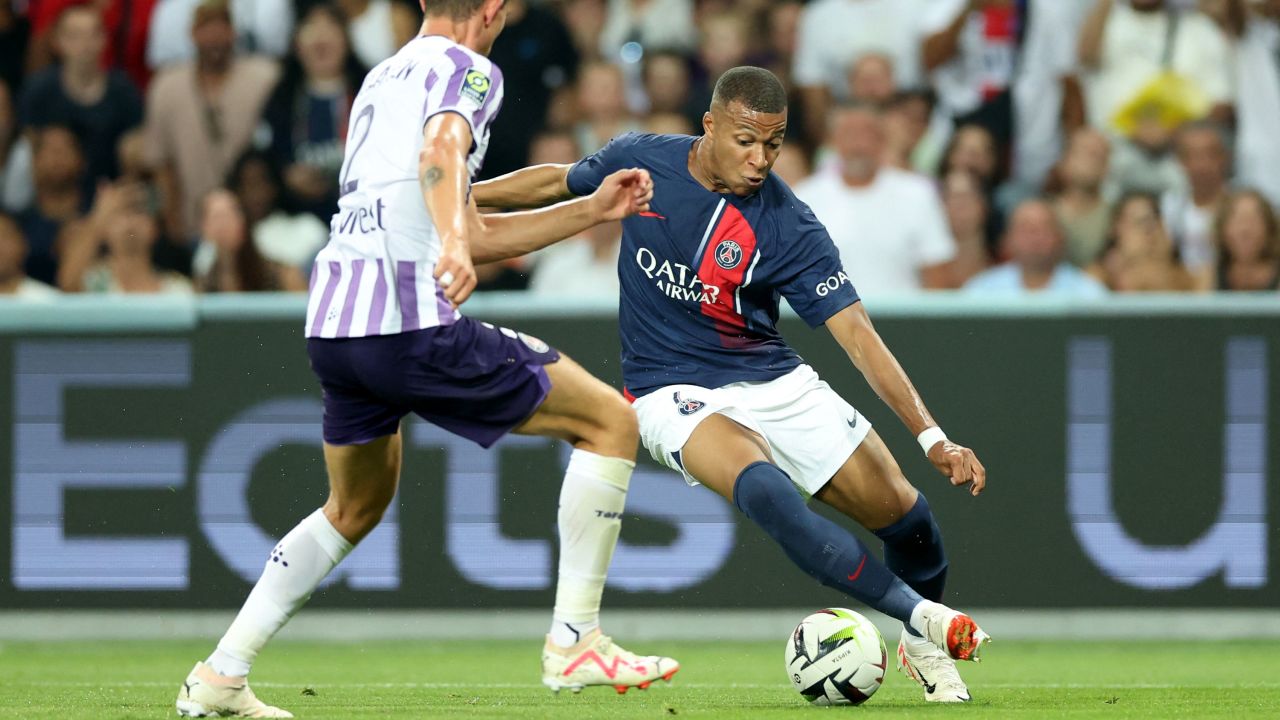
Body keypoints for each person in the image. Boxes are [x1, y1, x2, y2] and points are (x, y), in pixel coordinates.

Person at [175, 2, 676, 717]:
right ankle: (576, 641)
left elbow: (463, 219)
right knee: (609, 423)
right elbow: (442, 156)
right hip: (405, 321)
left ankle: (222, 674)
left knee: (353, 506)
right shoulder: (467, 68)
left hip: (337, 324)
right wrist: (448, 243)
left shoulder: (382, 76)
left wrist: (588, 211)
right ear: (494, 8)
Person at [475, 66, 991, 704]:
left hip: (773, 379)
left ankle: (920, 647)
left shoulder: (789, 225)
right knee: (769, 492)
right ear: (710, 125)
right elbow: (556, 182)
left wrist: (932, 436)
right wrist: (461, 199)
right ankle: (924, 617)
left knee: (911, 524)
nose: (760, 158)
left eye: (773, 143)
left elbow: (857, 333)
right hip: (669, 390)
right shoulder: (642, 161)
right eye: (746, 140)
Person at [795, 103, 956, 297]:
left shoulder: (917, 194)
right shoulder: (804, 198)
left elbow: (937, 276)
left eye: (867, 135)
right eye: (849, 134)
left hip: (903, 321)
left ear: (882, 141)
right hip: (827, 322)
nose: (858, 145)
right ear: (833, 141)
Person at [963, 198, 1108, 297]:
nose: (1035, 237)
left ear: (1060, 237)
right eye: (1026, 229)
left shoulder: (1089, 293)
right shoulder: (980, 291)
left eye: (1044, 228)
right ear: (1008, 239)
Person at [1213, 189, 1280, 291]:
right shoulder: (1210, 276)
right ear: (1222, 228)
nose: (1245, 230)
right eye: (1238, 221)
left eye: (1253, 221)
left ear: (1269, 228)